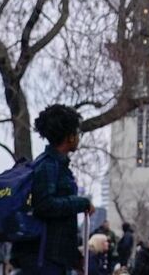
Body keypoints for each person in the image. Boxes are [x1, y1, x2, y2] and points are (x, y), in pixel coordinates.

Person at [19, 105, 95, 275]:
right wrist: (81, 202)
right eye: (78, 133)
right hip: (44, 257)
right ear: (69, 137)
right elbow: (45, 205)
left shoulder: (54, 165)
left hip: (53, 256)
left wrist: (74, 256)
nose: (79, 138)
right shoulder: (48, 166)